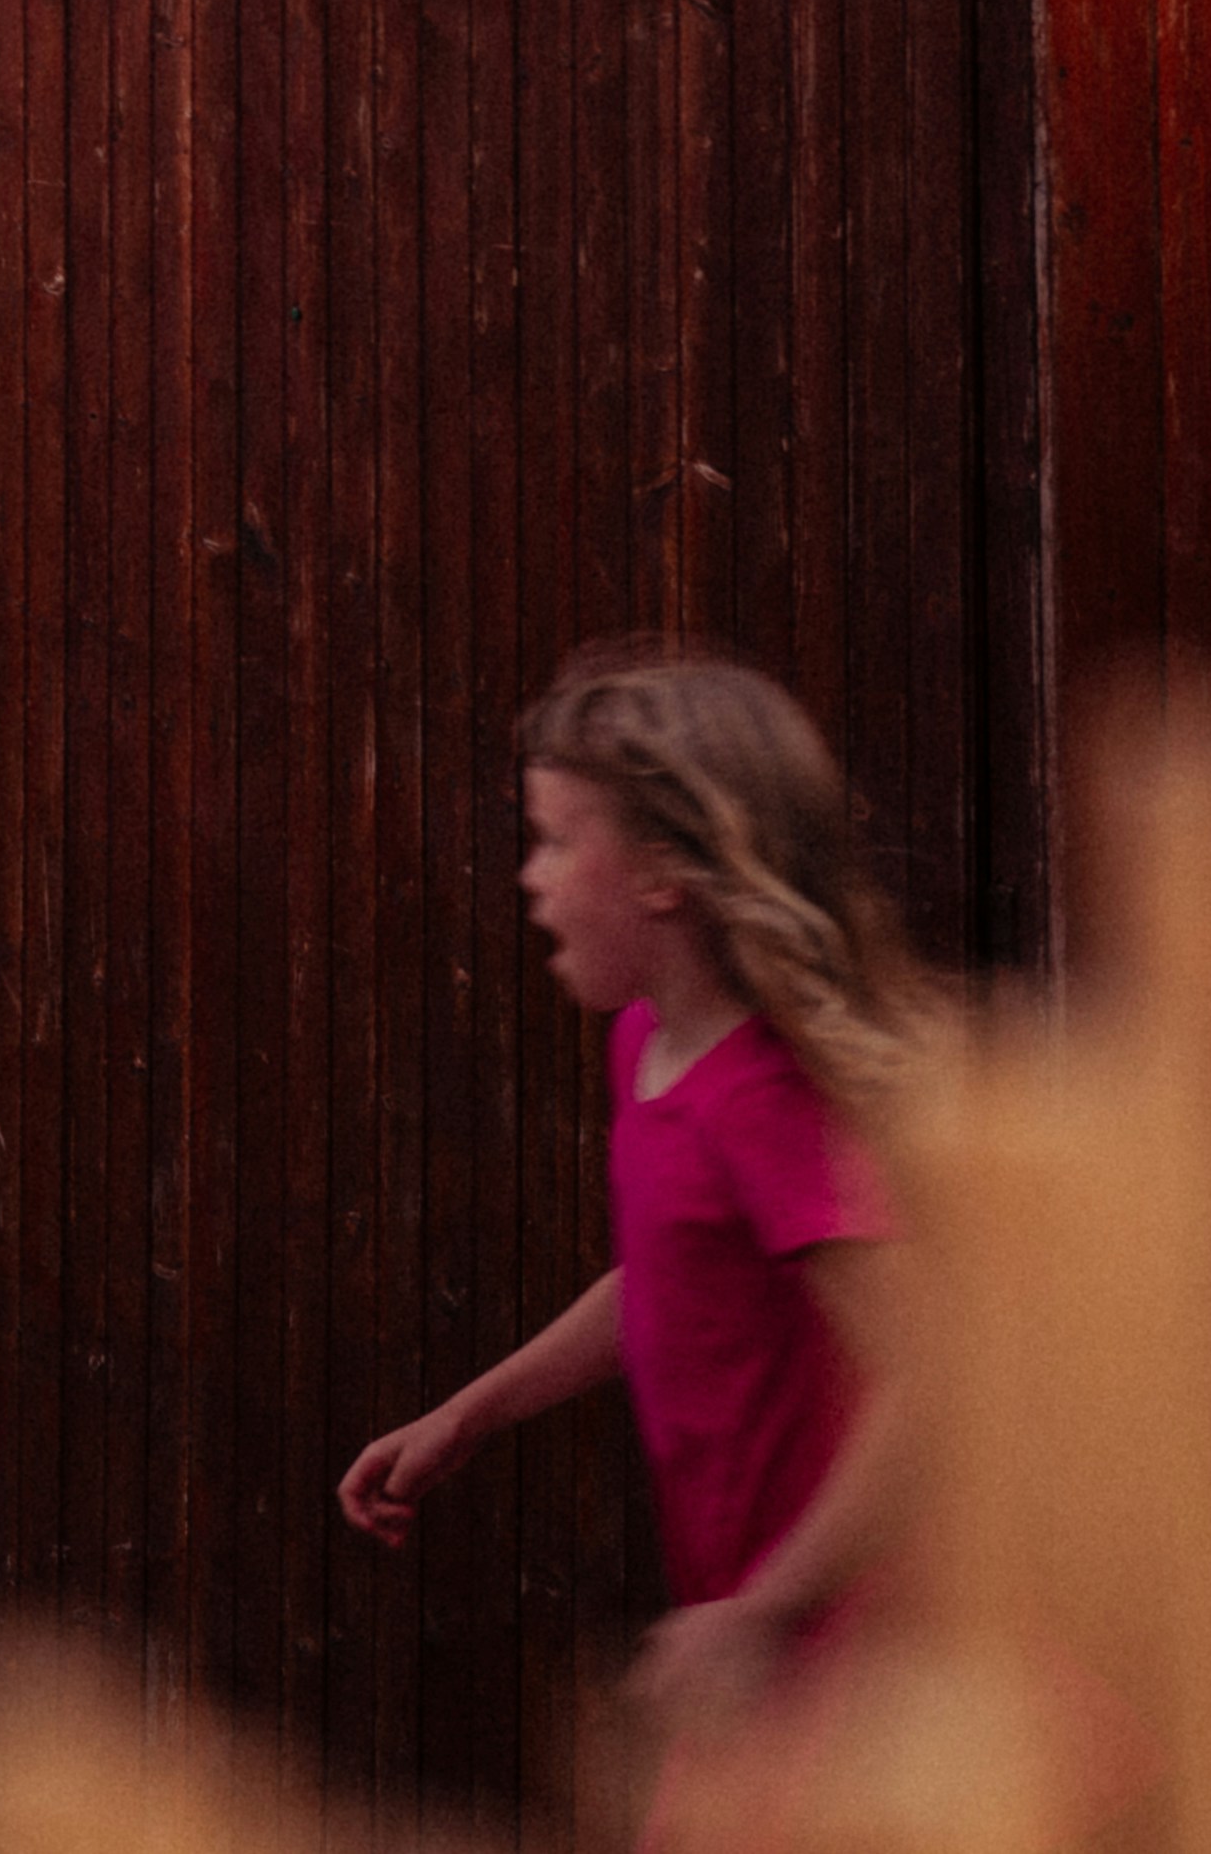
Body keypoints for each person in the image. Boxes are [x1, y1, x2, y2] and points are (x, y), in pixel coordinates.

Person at [332, 646, 934, 1741]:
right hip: (765, 1646)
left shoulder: (768, 1098)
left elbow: (927, 1383)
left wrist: (761, 1608)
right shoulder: (648, 1048)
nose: (531, 874)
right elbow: (666, 1275)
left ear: (663, 871)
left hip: (870, 1654)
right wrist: (473, 1410)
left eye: (559, 839)